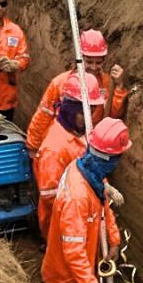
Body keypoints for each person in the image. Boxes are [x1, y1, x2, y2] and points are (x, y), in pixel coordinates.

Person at [41, 117, 131, 283]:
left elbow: (103, 205)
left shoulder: (90, 170)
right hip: (63, 282)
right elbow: (74, 253)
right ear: (111, 158)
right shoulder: (78, 197)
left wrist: (113, 238)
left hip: (78, 276)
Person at [25, 29, 129, 155]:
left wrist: (119, 87)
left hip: (90, 144)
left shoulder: (106, 83)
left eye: (98, 63)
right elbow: (43, 116)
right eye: (89, 62)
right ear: (79, 58)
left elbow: (112, 116)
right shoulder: (61, 83)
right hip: (63, 144)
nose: (94, 67)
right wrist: (33, 147)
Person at [35, 71, 105, 239]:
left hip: (86, 215)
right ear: (71, 110)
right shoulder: (54, 149)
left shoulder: (81, 131)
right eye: (85, 112)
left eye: (93, 110)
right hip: (64, 225)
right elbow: (50, 196)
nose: (90, 118)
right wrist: (82, 205)